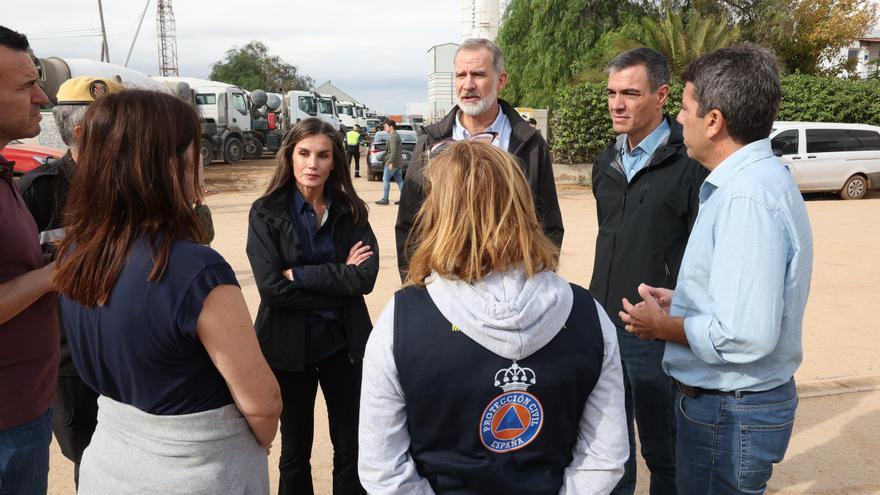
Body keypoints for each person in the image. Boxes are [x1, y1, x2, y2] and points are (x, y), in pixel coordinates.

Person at [359, 140, 628, 494]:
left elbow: (382, 468)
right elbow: (605, 456)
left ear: (438, 213)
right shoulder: (588, 314)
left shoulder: (401, 320)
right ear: (523, 206)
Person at [53, 89, 282, 494]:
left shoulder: (76, 251)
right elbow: (262, 404)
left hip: (108, 464)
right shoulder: (195, 269)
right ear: (168, 162)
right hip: (195, 472)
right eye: (196, 150)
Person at [620, 44, 813, 494]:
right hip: (732, 409)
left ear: (714, 120)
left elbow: (746, 334)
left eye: (685, 108)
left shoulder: (746, 197)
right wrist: (685, 303)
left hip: (730, 412)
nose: (679, 119)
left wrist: (665, 327)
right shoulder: (749, 182)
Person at [590, 47, 707, 495]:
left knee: (665, 452)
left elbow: (701, 253)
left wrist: (671, 318)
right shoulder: (607, 160)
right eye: (612, 93)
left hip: (654, 331)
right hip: (603, 324)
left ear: (661, 95)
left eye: (630, 93)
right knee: (608, 449)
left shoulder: (690, 162)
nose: (617, 104)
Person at [246, 117, 378, 495]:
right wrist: (339, 278)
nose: (312, 164)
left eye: (322, 155)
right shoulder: (266, 212)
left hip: (343, 346)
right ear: (289, 157)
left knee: (350, 449)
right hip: (289, 350)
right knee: (294, 452)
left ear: (335, 160)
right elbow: (272, 289)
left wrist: (300, 276)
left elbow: (364, 279)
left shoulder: (351, 211)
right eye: (304, 153)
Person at [16, 75, 123, 487]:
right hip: (71, 362)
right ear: (83, 132)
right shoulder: (37, 193)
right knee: (91, 463)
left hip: (130, 351)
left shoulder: (134, 187)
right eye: (120, 122)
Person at [395, 38, 563, 281]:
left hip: (510, 289)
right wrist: (415, 285)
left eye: (479, 75)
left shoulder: (529, 143)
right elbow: (409, 223)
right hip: (444, 286)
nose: (468, 85)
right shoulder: (430, 142)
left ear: (501, 80)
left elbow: (549, 224)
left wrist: (538, 283)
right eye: (461, 75)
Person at [0, 25, 58, 495]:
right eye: (25, 86)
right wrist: (57, 274)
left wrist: (48, 255)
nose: (41, 97)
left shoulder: (5, 172)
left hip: (24, 409)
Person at [376, 119, 402, 205]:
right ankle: (404, 199)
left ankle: (385, 199)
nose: (385, 128)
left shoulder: (393, 137)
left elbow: (394, 151)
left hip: (392, 162)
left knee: (385, 179)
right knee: (399, 181)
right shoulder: (395, 135)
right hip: (397, 162)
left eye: (386, 127)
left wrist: (391, 162)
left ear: (391, 127)